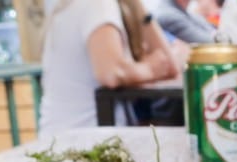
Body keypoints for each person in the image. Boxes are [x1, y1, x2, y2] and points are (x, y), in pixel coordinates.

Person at [37, 0, 188, 137]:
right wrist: (150, 68)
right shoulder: (98, 4)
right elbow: (111, 74)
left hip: (65, 139)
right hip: (84, 143)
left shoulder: (72, 6)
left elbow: (170, 65)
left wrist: (139, 8)